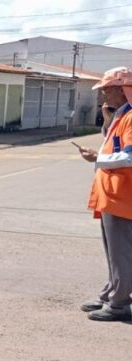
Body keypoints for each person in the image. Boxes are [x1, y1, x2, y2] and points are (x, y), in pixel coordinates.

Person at [76, 67, 132, 321]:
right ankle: (111, 293)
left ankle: (119, 304)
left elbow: (129, 157)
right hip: (113, 195)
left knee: (120, 252)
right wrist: (108, 121)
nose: (103, 97)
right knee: (113, 251)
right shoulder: (120, 117)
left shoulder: (130, 118)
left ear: (123, 90)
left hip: (123, 196)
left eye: (107, 90)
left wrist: (99, 158)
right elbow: (116, 145)